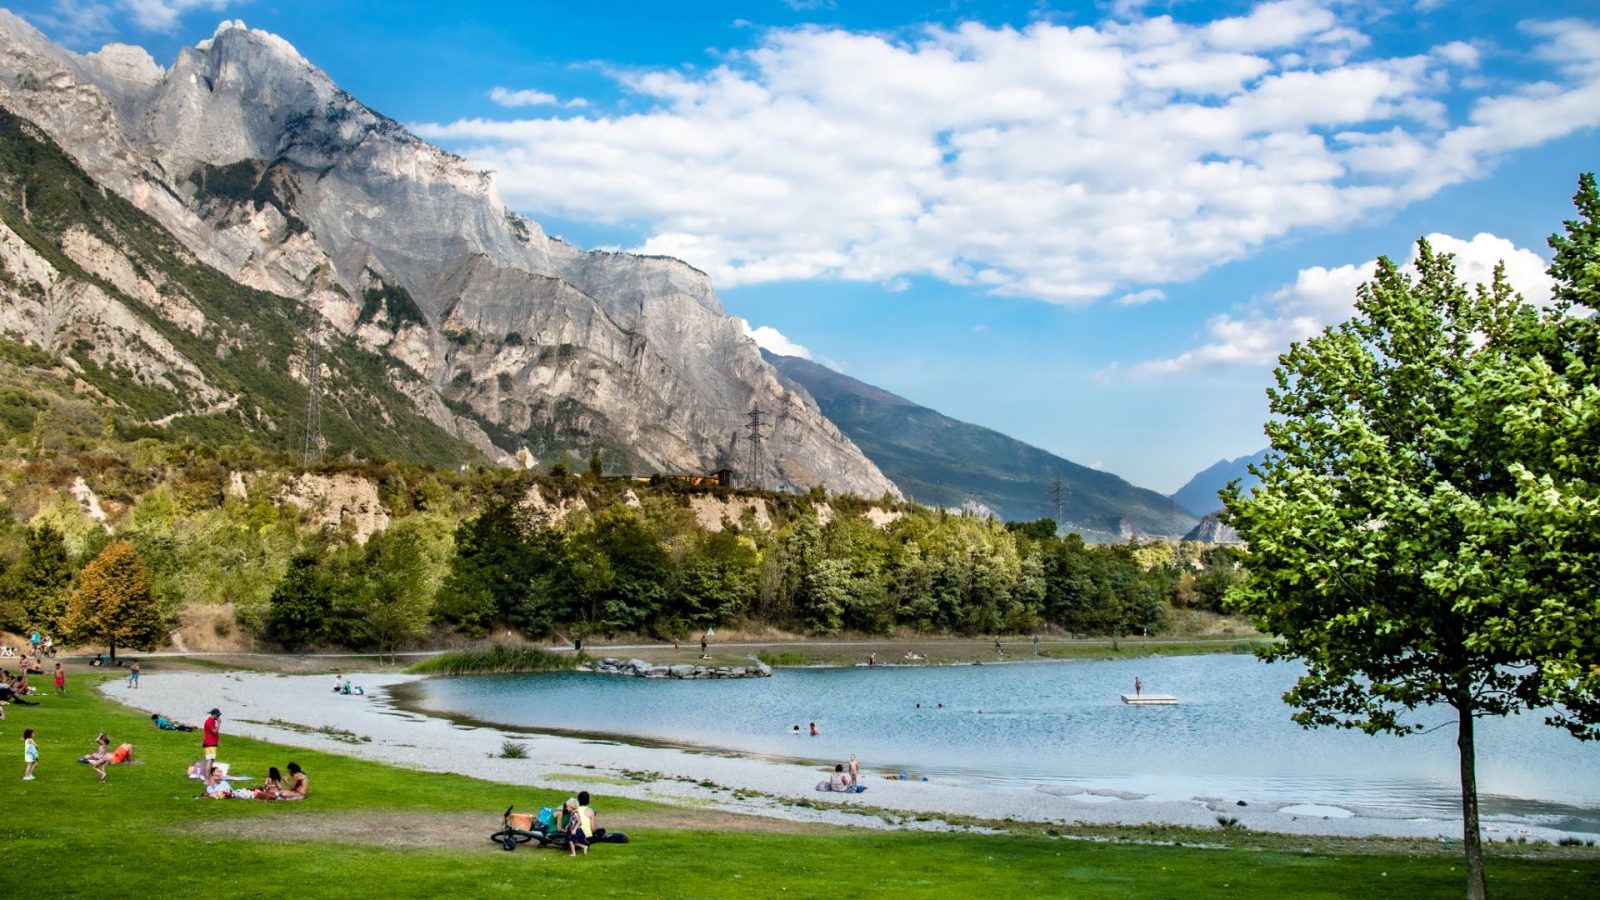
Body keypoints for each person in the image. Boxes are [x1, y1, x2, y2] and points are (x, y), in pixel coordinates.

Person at [201, 708, 222, 776]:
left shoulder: (211, 721)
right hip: (210, 743)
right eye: (218, 715)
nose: (218, 717)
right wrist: (219, 724)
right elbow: (215, 732)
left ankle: (209, 776)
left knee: (211, 760)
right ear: (214, 715)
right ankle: (207, 778)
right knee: (210, 760)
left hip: (210, 743)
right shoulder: (209, 722)